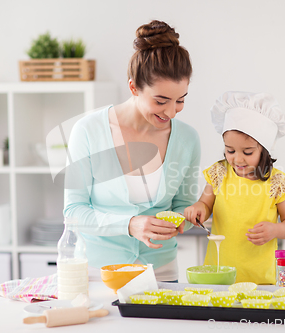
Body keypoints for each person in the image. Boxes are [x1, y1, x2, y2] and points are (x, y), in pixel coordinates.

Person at [63, 20, 200, 282]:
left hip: (162, 271)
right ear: (134, 88)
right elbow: (74, 213)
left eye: (180, 100)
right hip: (98, 272)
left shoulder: (187, 139)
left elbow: (182, 206)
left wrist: (184, 218)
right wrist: (130, 224)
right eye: (161, 101)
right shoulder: (88, 131)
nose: (171, 112)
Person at [184, 91, 285, 284]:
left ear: (264, 149)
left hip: (260, 281)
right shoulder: (219, 173)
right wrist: (198, 209)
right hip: (218, 276)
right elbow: (205, 204)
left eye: (247, 152)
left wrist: (276, 230)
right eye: (230, 150)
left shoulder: (277, 182)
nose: (237, 159)